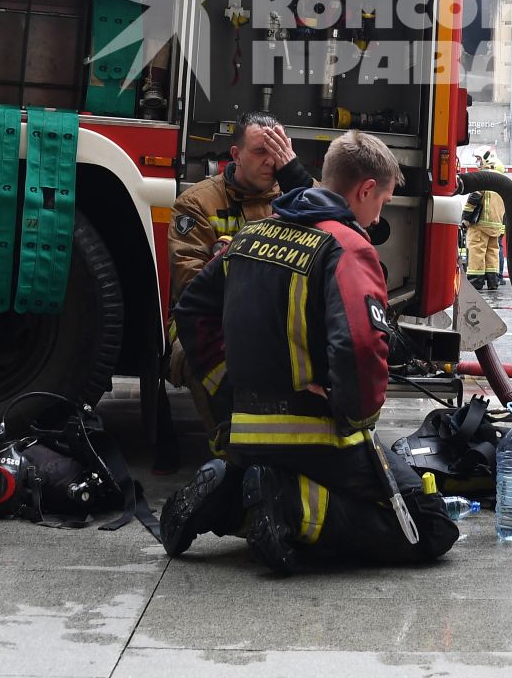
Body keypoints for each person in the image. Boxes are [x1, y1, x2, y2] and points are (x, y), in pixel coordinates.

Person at [159, 132, 459, 574]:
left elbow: (192, 311)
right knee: (428, 527)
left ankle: (228, 494)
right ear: (365, 190)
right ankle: (293, 506)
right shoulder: (347, 247)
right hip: (315, 436)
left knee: (285, 484)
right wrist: (352, 416)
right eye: (383, 203)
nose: (377, 220)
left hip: (243, 431)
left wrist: (228, 392)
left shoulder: (249, 236)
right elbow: (359, 344)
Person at [167, 111, 312, 442]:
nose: (270, 161)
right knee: (198, 357)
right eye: (261, 151)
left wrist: (296, 180)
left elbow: (339, 241)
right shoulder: (197, 204)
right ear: (235, 155)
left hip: (287, 321)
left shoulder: (303, 192)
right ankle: (230, 448)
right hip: (209, 321)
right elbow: (191, 287)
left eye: (279, 150)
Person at [462, 152, 507, 291]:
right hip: (495, 227)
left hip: (480, 225)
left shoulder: (485, 178)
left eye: (479, 159)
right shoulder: (503, 182)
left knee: (477, 252)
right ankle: (493, 281)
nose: (478, 162)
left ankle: (475, 282)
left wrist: (465, 218)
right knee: (492, 253)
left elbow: (474, 198)